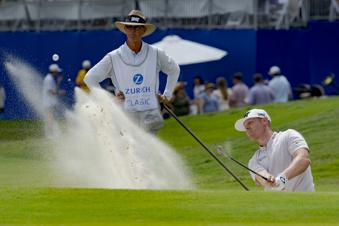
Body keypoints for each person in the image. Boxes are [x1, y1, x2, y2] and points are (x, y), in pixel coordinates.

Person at [84, 10, 180, 134]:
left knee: (146, 149)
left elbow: (174, 69)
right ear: (125, 29)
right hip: (125, 113)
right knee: (130, 149)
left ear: (143, 30)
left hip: (150, 111)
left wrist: (166, 96)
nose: (133, 31)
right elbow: (90, 78)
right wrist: (109, 100)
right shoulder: (113, 57)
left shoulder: (156, 53)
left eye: (137, 28)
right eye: (129, 27)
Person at [234, 108, 315, 192]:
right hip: (278, 204)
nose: (247, 128)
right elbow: (260, 176)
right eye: (245, 126)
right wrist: (267, 180)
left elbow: (303, 159)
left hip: (305, 201)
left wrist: (282, 179)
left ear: (264, 121)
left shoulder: (288, 136)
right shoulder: (254, 160)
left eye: (250, 122)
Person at [42, 64, 65, 138]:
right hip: (48, 103)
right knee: (50, 118)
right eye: (57, 71)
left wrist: (58, 82)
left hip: (50, 103)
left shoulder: (51, 78)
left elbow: (54, 90)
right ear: (53, 71)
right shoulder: (48, 79)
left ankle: (51, 134)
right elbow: (50, 92)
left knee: (51, 118)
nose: (58, 73)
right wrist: (59, 93)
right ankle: (49, 135)